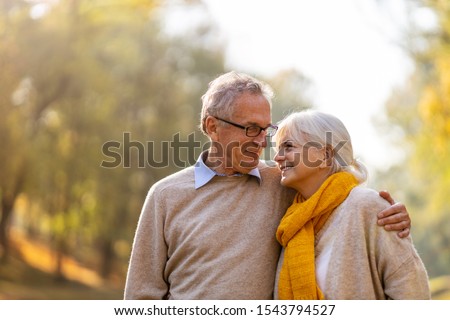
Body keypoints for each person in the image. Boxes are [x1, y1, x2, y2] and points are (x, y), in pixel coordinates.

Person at [124, 71, 411, 300]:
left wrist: (390, 213)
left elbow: (336, 189)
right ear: (212, 127)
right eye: (251, 128)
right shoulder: (165, 195)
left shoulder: (283, 183)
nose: (262, 141)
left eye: (266, 129)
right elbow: (141, 296)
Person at [273, 110, 430, 300]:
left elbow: (411, 291)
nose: (277, 158)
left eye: (288, 147)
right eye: (278, 149)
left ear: (325, 155)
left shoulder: (368, 206)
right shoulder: (292, 223)